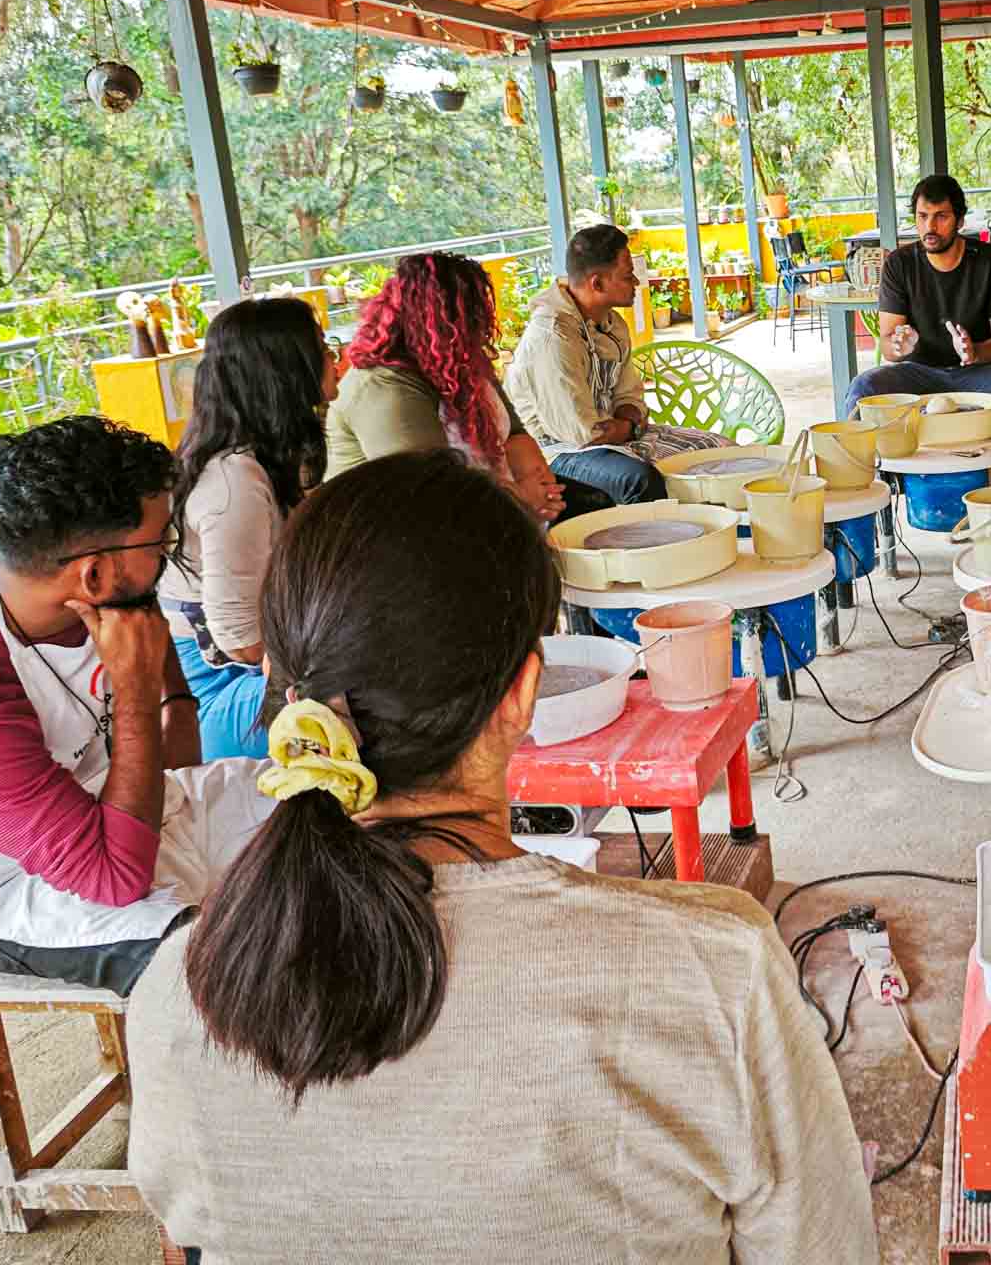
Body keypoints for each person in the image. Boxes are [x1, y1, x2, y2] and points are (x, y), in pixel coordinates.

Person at [128, 451, 878, 1263]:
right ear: (523, 693)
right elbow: (821, 1247)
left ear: (286, 681)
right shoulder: (710, 970)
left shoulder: (181, 987)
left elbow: (187, 1247)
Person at [0, 417, 271, 994]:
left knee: (325, 807)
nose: (168, 556)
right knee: (210, 964)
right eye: (161, 542)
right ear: (93, 573)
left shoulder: (46, 581)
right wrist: (136, 689)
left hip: (125, 815)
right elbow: (116, 878)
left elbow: (175, 767)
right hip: (10, 888)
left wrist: (174, 698)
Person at [160, 297, 334, 762]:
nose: (334, 355)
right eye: (321, 346)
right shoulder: (234, 482)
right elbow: (241, 642)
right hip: (225, 694)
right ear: (285, 371)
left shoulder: (268, 462)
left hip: (264, 675)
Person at [324, 251, 602, 520]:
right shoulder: (384, 385)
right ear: (434, 321)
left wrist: (539, 487)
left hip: (479, 497)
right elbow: (434, 486)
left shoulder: (458, 359)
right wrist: (519, 498)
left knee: (592, 504)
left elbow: (514, 433)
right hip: (399, 527)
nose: (484, 325)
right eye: (471, 314)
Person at [504, 223, 732, 506]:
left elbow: (630, 397)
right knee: (639, 479)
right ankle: (659, 547)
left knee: (721, 450)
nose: (636, 282)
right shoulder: (552, 336)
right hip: (559, 450)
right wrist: (629, 426)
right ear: (597, 283)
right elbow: (581, 432)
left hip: (614, 437)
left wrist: (627, 423)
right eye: (628, 276)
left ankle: (722, 534)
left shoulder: (613, 324)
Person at [839, 174, 991, 418]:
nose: (930, 227)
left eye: (941, 216)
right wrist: (899, 346)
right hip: (917, 372)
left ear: (960, 221)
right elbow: (889, 347)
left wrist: (975, 352)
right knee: (862, 389)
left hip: (979, 370)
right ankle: (861, 457)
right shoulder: (899, 264)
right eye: (923, 216)